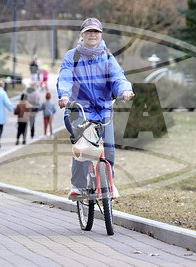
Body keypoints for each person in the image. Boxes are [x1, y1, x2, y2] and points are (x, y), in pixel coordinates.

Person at [57, 18, 135, 199]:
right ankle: (78, 185)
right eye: (89, 31)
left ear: (101, 35)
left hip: (103, 109)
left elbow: (118, 77)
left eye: (96, 32)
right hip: (79, 109)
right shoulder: (72, 56)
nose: (93, 35)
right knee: (84, 147)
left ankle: (109, 183)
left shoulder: (107, 57)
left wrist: (125, 91)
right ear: (82, 34)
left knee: (109, 148)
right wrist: (65, 96)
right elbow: (66, 77)